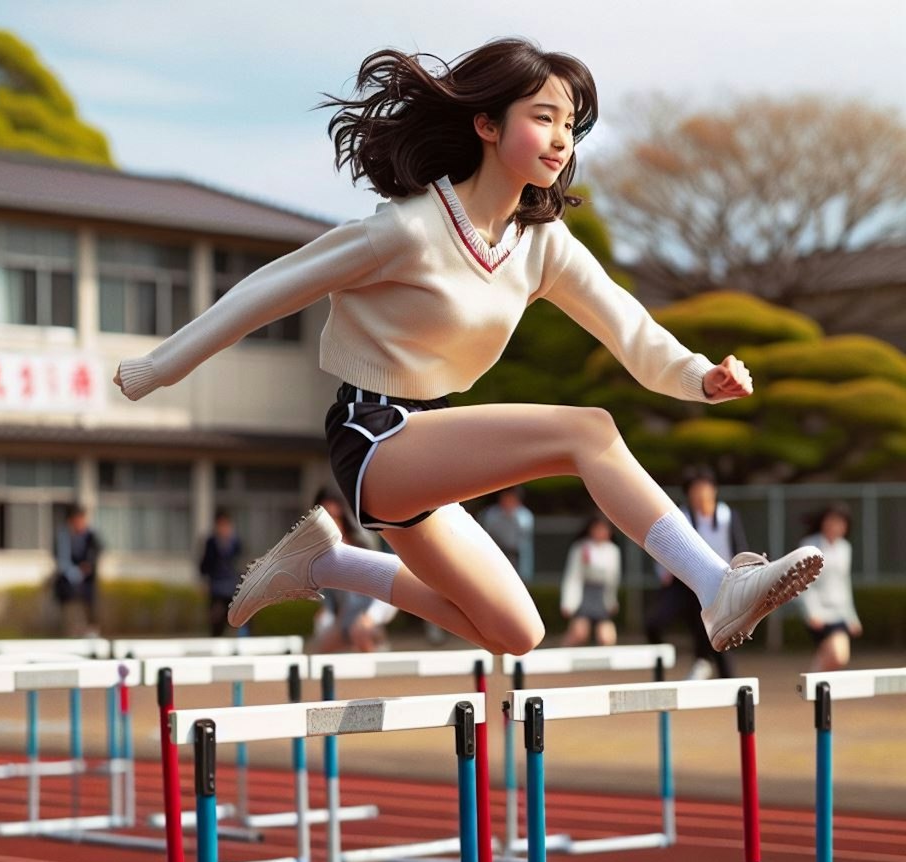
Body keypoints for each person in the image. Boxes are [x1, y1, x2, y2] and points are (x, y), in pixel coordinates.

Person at [113, 38, 823, 656]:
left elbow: (631, 330)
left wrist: (702, 378)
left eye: (569, 125)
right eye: (542, 117)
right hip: (374, 434)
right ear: (486, 123)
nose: (559, 139)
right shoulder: (407, 230)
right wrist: (156, 368)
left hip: (429, 442)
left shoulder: (543, 246)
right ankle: (715, 585)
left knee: (516, 632)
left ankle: (328, 564)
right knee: (589, 431)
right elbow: (268, 290)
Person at [645, 465, 749, 678]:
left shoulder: (727, 516)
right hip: (684, 582)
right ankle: (664, 666)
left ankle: (726, 683)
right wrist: (664, 573)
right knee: (654, 622)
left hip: (720, 582)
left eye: (705, 488)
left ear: (714, 490)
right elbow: (664, 547)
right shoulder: (680, 516)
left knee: (718, 636)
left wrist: (742, 579)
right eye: (695, 489)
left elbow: (740, 550)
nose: (701, 494)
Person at [311, 487, 396, 653]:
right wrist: (326, 616)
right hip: (342, 623)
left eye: (335, 517)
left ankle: (376, 671)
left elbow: (390, 585)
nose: (330, 524)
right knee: (323, 643)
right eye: (324, 518)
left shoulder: (364, 545)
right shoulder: (319, 555)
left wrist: (370, 618)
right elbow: (329, 602)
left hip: (367, 624)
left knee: (360, 633)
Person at [799, 502, 861, 672]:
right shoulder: (809, 546)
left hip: (839, 613)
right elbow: (804, 583)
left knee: (838, 656)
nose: (835, 526)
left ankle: (815, 684)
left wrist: (852, 617)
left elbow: (844, 583)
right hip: (819, 612)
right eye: (832, 521)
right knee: (834, 655)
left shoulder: (845, 548)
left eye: (841, 523)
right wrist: (811, 612)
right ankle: (817, 688)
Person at [560, 513, 621, 646]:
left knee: (607, 638)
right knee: (579, 634)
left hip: (601, 596)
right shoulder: (581, 548)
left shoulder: (613, 551)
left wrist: (612, 600)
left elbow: (613, 580)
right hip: (584, 594)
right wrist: (568, 603)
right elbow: (573, 576)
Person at [52, 504, 101, 637]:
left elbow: (94, 558)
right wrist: (76, 572)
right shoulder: (63, 537)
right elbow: (61, 563)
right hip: (69, 591)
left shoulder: (91, 537)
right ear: (71, 520)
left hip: (87, 590)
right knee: (72, 623)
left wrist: (87, 567)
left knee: (89, 623)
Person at [198, 508, 242, 636]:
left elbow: (239, 561)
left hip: (232, 587)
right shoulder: (211, 542)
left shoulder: (235, 542)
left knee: (235, 618)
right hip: (216, 587)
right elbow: (204, 564)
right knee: (216, 620)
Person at [480, 487, 535, 582]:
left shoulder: (524, 515)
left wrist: (511, 515)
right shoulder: (492, 514)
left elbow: (524, 532)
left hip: (515, 554)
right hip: (496, 552)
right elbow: (486, 533)